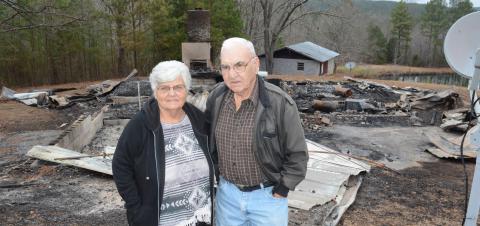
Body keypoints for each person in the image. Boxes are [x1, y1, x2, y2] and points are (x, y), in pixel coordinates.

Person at [205, 37, 309, 226]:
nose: (232, 74)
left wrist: (282, 189)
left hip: (267, 198)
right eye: (225, 67)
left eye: (239, 65)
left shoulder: (280, 103)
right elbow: (206, 139)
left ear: (255, 64)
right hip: (227, 196)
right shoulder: (216, 98)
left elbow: (298, 154)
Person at [112, 60, 214, 226]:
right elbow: (120, 165)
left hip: (200, 217)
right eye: (164, 88)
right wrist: (136, 207)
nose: (171, 93)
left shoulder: (198, 119)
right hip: (161, 221)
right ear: (155, 91)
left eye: (178, 87)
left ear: (186, 89)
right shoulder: (141, 124)